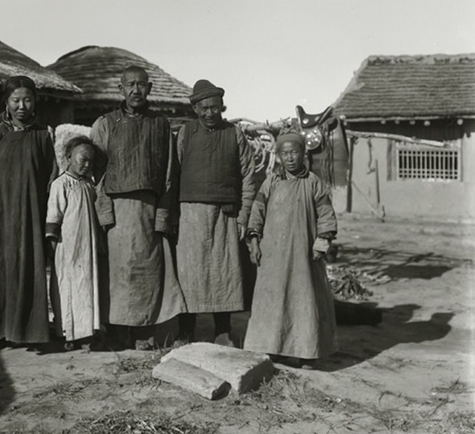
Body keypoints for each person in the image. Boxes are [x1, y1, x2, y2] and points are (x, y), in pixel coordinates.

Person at [90, 65, 186, 350]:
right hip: (117, 210)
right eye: (129, 85)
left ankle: (144, 331)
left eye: (141, 84)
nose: (135, 90)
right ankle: (119, 330)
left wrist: (163, 213)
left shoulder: (160, 124)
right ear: (120, 89)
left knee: (147, 271)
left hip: (148, 208)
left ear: (150, 88)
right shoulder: (105, 124)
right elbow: (97, 174)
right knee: (117, 272)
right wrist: (104, 212)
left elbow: (169, 173)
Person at [0, 75, 58, 351]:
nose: (21, 105)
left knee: (26, 266)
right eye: (15, 100)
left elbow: (51, 178)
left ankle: (24, 330)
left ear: (34, 102)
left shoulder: (42, 136)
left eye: (27, 99)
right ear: (6, 102)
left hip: (29, 215)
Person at [243, 126, 338, 369]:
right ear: (279, 156)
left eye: (294, 153)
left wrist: (322, 242)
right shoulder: (270, 182)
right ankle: (275, 348)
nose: (289, 158)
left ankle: (307, 352)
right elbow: (257, 213)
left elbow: (326, 215)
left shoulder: (313, 183)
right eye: (284, 154)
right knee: (273, 301)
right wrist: (254, 241)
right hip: (273, 255)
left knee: (304, 300)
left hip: (303, 256)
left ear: (303, 154)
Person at [175, 79, 257, 347]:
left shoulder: (235, 134)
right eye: (204, 108)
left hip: (225, 215)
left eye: (215, 108)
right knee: (190, 274)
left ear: (222, 107)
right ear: (195, 109)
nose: (210, 113)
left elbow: (248, 177)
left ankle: (222, 331)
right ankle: (186, 332)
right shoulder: (185, 134)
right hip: (190, 214)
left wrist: (244, 216)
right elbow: (173, 173)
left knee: (225, 274)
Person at [46, 136, 101, 351]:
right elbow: (54, 215)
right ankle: (68, 332)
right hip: (67, 246)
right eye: (82, 160)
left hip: (88, 247)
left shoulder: (89, 184)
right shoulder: (61, 184)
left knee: (86, 286)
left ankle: (87, 332)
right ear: (68, 158)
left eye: (90, 162)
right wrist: (51, 243)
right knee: (67, 288)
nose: (87, 165)